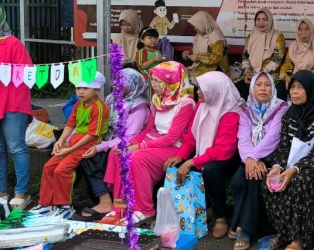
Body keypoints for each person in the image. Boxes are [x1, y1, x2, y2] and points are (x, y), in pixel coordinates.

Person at [102, 61, 196, 224]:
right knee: (117, 152)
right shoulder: (158, 100)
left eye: (157, 81)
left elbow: (171, 138)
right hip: (153, 143)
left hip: (172, 148)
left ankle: (144, 209)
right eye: (152, 80)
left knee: (136, 158)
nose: (153, 85)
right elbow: (148, 131)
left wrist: (138, 146)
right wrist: (127, 143)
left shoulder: (185, 103)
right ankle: (120, 207)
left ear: (171, 82)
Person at [164, 71, 242, 239]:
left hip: (228, 157)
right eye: (198, 88)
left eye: (202, 89)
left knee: (211, 170)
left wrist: (192, 161)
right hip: (205, 150)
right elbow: (192, 135)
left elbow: (223, 151)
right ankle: (184, 212)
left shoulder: (231, 112)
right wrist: (181, 155)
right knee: (173, 165)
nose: (198, 91)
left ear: (216, 90)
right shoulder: (202, 104)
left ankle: (220, 216)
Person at [262, 70, 314, 250]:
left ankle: (301, 239)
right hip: (291, 164)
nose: (294, 92)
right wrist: (277, 166)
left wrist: (295, 169)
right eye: (292, 87)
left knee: (300, 181)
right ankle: (283, 233)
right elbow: (284, 147)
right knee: (269, 180)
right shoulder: (289, 115)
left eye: (300, 88)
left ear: (310, 89)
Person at [74, 68, 150, 221]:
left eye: (120, 84)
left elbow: (128, 137)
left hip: (125, 144)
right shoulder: (112, 99)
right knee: (79, 151)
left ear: (131, 85)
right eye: (114, 82)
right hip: (108, 140)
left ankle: (107, 203)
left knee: (94, 156)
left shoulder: (139, 107)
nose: (115, 86)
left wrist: (100, 146)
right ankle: (62, 201)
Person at [31, 72, 109, 220]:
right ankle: (46, 204)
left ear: (97, 89)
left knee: (62, 170)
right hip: (74, 142)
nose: (80, 91)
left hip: (88, 145)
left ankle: (64, 206)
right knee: (49, 167)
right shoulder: (78, 104)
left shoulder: (100, 108)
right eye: (78, 87)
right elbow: (70, 124)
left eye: (86, 88)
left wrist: (69, 149)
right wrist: (60, 141)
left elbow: (92, 135)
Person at [231, 72, 289, 250]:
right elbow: (243, 138)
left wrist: (255, 158)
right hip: (249, 157)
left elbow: (273, 137)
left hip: (273, 155)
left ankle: (244, 229)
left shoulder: (281, 108)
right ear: (252, 88)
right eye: (259, 84)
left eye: (267, 85)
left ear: (273, 88)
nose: (263, 88)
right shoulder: (247, 110)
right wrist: (250, 159)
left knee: (256, 177)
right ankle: (238, 223)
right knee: (239, 179)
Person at [0, 6, 32, 210]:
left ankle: (22, 192)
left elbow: (26, 76)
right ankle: (1, 191)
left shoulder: (14, 44)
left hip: (13, 103)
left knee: (16, 147)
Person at [238, 8, 286, 100]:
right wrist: (247, 72)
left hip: (271, 75)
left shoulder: (278, 37)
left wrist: (262, 73)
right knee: (241, 88)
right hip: (252, 75)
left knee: (279, 90)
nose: (261, 22)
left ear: (270, 21)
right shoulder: (250, 37)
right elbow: (245, 58)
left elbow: (277, 59)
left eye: (265, 20)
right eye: (258, 19)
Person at [278, 19, 314, 101]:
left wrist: (300, 81)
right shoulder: (293, 46)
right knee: (280, 88)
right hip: (293, 79)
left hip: (311, 80)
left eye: (307, 29)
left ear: (311, 30)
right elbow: (287, 65)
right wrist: (288, 78)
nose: (303, 32)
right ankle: (283, 112)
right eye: (300, 29)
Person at [183, 11, 230, 82]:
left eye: (197, 26)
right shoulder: (201, 34)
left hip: (216, 70)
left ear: (204, 24)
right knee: (182, 75)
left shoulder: (217, 39)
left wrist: (198, 57)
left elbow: (216, 58)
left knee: (190, 80)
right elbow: (201, 50)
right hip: (201, 66)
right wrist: (189, 53)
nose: (195, 29)